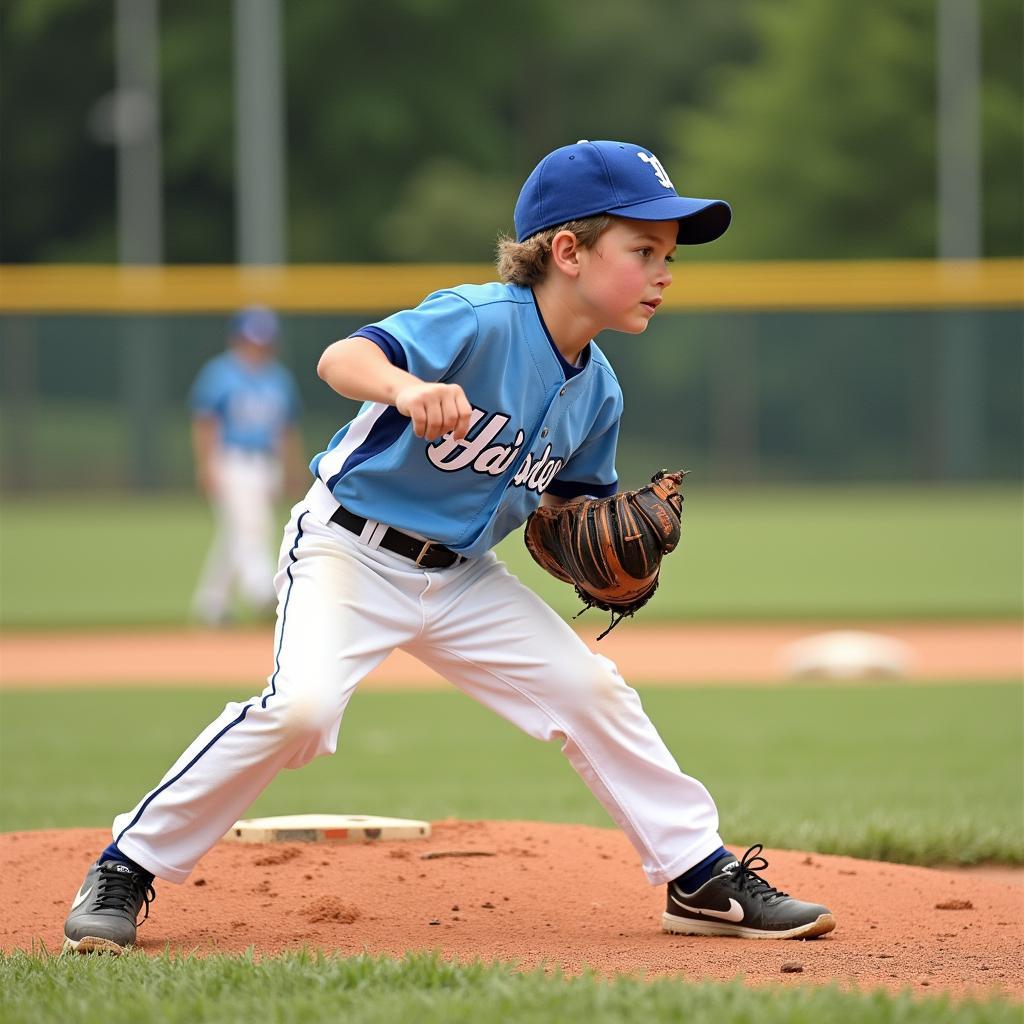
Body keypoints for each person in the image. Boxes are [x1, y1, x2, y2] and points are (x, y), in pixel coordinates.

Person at [63, 140, 835, 954]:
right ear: (567, 252)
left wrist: (612, 565)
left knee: (590, 689)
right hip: (349, 552)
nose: (664, 271)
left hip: (464, 577)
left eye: (668, 256)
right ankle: (127, 864)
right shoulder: (476, 320)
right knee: (301, 710)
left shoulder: (599, 388)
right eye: (643, 250)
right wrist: (406, 386)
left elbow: (573, 516)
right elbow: (340, 357)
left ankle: (698, 875)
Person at [188, 306, 304, 626]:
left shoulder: (278, 377)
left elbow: (286, 428)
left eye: (264, 340)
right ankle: (262, 592)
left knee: (235, 533)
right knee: (253, 526)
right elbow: (205, 421)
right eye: (252, 339)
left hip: (266, 463)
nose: (258, 346)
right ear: (238, 338)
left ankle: (211, 605)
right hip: (232, 460)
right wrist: (206, 464)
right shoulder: (220, 372)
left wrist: (290, 467)